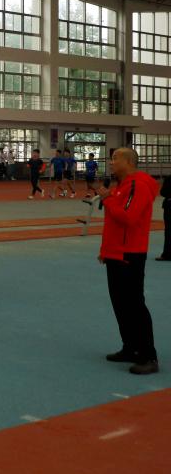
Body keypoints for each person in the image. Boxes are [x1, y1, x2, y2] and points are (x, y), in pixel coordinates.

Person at [96, 148, 160, 375]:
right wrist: (106, 250)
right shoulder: (122, 186)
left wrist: (107, 198)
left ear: (129, 162)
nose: (111, 162)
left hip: (130, 254)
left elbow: (127, 218)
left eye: (115, 158)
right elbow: (113, 224)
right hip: (116, 253)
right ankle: (130, 347)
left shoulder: (137, 185)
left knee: (134, 305)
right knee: (120, 304)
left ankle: (148, 356)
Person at [158, 174, 171, 262]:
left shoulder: (169, 179)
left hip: (169, 206)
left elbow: (162, 192)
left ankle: (167, 254)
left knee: (168, 231)